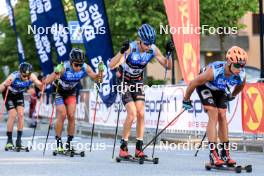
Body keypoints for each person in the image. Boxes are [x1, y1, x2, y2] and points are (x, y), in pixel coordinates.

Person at [109, 23, 174, 158]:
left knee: (141, 113)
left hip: (137, 80)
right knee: (132, 113)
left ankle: (139, 148)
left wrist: (169, 54)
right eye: (145, 44)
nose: (148, 47)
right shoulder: (131, 48)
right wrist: (121, 51)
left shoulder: (153, 49)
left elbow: (168, 66)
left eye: (151, 43)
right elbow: (111, 65)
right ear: (139, 40)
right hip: (124, 80)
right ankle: (123, 147)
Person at [182, 46, 248, 166]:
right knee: (213, 113)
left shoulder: (241, 74)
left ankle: (225, 154)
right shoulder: (214, 71)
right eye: (237, 66)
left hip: (220, 88)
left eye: (242, 65)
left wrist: (232, 96)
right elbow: (193, 83)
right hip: (205, 86)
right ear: (229, 62)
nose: (240, 69)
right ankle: (213, 153)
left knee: (222, 115)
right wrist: (186, 99)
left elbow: (241, 86)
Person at [45, 48, 102, 152]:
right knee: (62, 115)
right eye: (76, 65)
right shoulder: (64, 68)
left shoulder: (85, 67)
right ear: (71, 62)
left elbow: (96, 78)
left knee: (71, 116)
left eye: (81, 64)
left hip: (71, 91)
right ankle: (58, 142)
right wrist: (55, 72)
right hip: (59, 91)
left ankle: (69, 144)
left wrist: (100, 74)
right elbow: (47, 81)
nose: (79, 67)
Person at [0, 62, 43, 149]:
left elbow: (40, 86)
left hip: (18, 95)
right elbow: (1, 88)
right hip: (9, 95)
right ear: (20, 73)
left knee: (20, 115)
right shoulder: (13, 76)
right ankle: (9, 140)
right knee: (12, 114)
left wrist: (43, 84)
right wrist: (5, 84)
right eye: (24, 76)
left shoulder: (31, 76)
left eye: (28, 76)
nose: (26, 78)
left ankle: (19, 140)